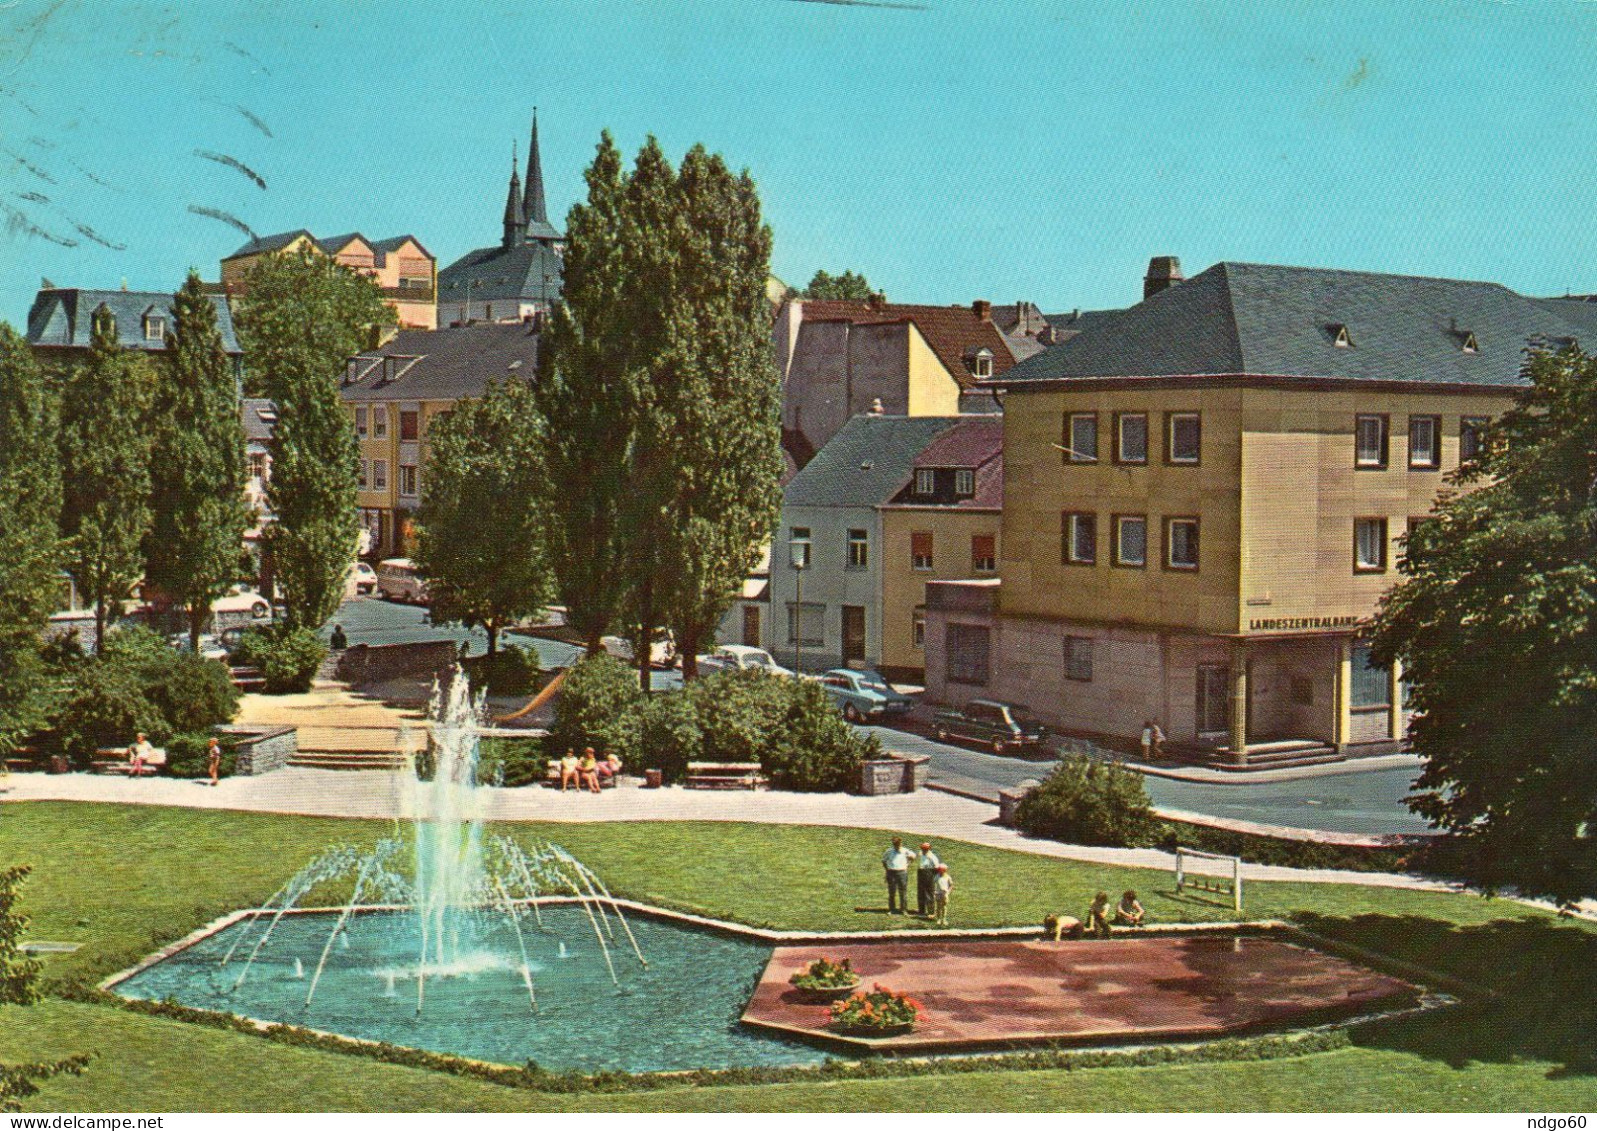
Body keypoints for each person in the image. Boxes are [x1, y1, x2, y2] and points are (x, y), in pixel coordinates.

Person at [881, 837, 912, 914]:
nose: (897, 845)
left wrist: (908, 864)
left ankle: (904, 910)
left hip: (902, 872)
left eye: (898, 844)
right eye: (895, 844)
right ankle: (892, 909)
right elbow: (884, 861)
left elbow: (913, 857)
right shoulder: (889, 851)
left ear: (900, 843)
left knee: (903, 892)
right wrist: (887, 870)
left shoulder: (906, 851)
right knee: (892, 892)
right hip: (891, 872)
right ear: (893, 844)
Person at [915, 841, 941, 917]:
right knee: (921, 893)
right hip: (921, 873)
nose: (923, 850)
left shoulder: (932, 856)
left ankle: (931, 912)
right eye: (922, 849)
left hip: (929, 873)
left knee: (929, 894)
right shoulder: (921, 854)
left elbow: (937, 867)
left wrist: (932, 876)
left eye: (925, 849)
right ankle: (921, 911)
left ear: (928, 849)